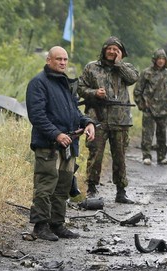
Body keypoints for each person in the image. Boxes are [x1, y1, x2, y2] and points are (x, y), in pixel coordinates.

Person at [26, 46, 96, 241]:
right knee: (46, 184)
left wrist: (88, 123)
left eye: (65, 59)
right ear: (49, 60)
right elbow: (37, 115)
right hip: (48, 145)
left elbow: (75, 112)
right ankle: (40, 226)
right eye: (59, 59)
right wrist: (56, 134)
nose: (63, 63)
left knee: (63, 186)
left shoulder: (65, 83)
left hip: (68, 145)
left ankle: (57, 224)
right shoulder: (38, 83)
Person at [78, 36, 139, 204]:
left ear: (121, 52)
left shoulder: (126, 68)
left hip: (120, 119)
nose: (111, 52)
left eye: (116, 49)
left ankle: (121, 191)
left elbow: (133, 79)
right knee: (95, 153)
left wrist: (119, 64)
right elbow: (80, 88)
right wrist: (94, 93)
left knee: (119, 155)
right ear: (104, 50)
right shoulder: (91, 67)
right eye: (109, 49)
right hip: (97, 117)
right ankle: (91, 188)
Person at [134, 49, 167, 166]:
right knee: (147, 133)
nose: (161, 61)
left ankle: (161, 156)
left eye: (163, 59)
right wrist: (141, 104)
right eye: (159, 59)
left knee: (162, 134)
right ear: (154, 60)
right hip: (149, 108)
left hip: (163, 109)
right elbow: (138, 90)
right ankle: (146, 156)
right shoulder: (146, 73)